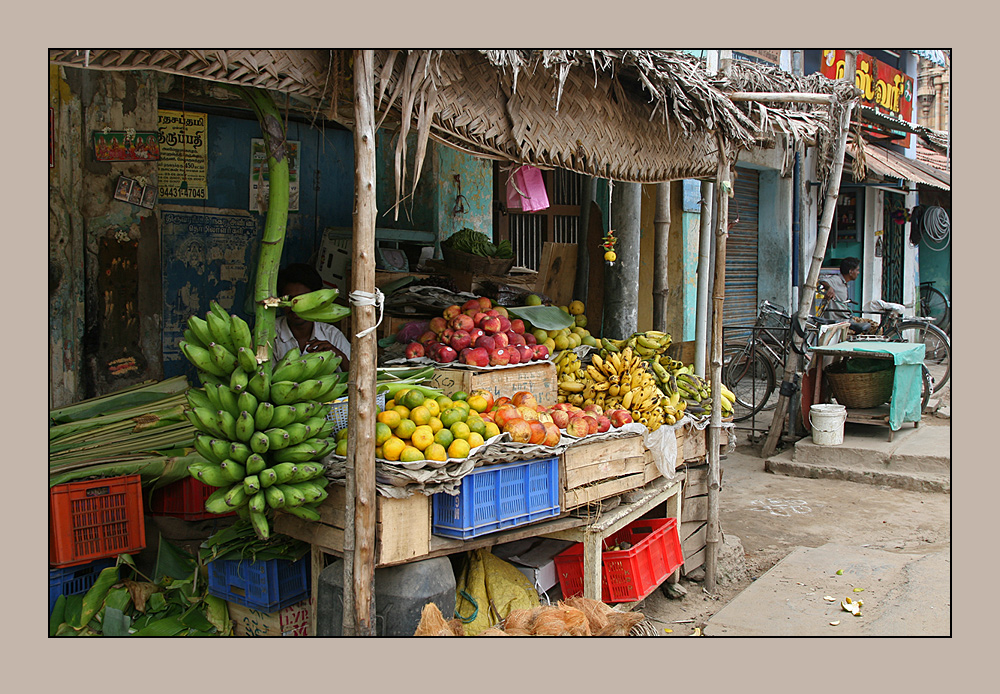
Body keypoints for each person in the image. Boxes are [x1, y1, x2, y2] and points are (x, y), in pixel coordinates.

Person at [273, 263, 351, 370]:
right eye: (290, 300)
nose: (295, 307)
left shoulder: (332, 335)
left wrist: (337, 355)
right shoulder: (271, 334)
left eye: (303, 300)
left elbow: (355, 375)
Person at [817, 257, 871, 334]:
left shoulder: (844, 283)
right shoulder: (837, 280)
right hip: (840, 321)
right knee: (872, 328)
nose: (858, 273)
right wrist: (829, 288)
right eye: (857, 270)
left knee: (873, 326)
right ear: (851, 272)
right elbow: (822, 280)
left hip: (847, 318)